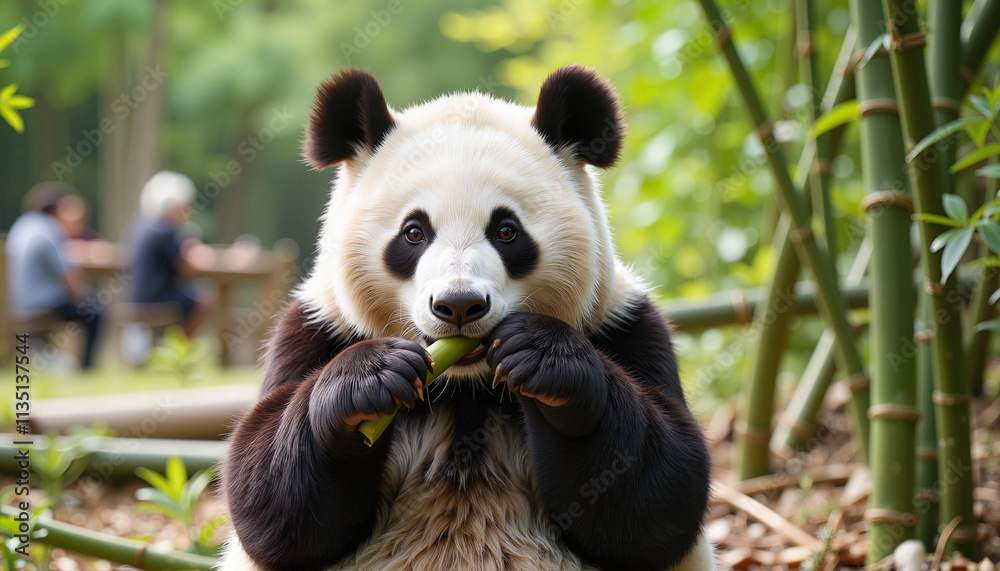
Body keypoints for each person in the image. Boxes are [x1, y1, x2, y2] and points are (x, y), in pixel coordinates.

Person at [5, 182, 103, 369]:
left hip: (17, 305)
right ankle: (86, 368)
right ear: (57, 209)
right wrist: (86, 294)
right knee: (96, 312)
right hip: (42, 306)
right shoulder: (50, 229)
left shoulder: (23, 224)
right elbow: (71, 281)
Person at [128, 171, 214, 337]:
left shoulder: (144, 226)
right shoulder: (166, 230)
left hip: (137, 297)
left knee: (193, 296)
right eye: (186, 206)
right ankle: (179, 345)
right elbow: (188, 267)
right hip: (155, 299)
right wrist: (196, 249)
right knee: (206, 300)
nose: (188, 211)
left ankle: (172, 343)